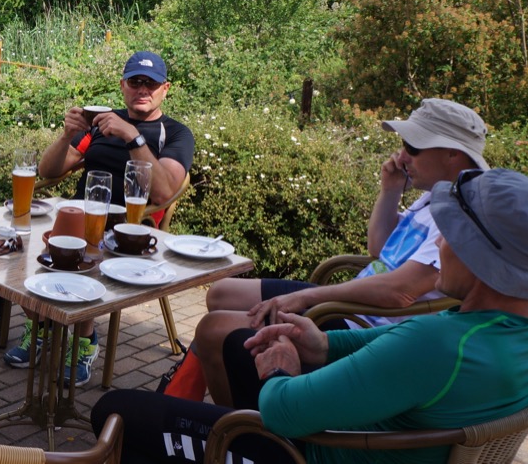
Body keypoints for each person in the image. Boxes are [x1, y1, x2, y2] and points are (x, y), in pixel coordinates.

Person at [92, 168, 528, 464]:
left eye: (450, 234)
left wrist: (280, 370)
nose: (438, 243)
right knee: (237, 343)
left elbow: (284, 410)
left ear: (481, 258)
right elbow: (397, 351)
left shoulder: (439, 347)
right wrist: (321, 343)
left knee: (117, 411)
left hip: (308, 451)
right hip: (391, 438)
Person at [193, 98, 488, 407]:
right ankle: (230, 393)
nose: (401, 156)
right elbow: (380, 249)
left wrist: (307, 297)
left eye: (412, 147)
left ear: (452, 153)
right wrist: (390, 189)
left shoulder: (463, 212)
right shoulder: (437, 194)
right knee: (222, 293)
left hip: (366, 324)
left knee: (213, 330)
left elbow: (399, 293)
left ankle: (234, 425)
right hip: (355, 302)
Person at [3, 51, 195, 385]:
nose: (142, 89)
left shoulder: (175, 134)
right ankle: (41, 325)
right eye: (135, 82)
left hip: (130, 228)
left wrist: (132, 136)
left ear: (165, 89)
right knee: (15, 246)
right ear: (123, 86)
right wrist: (67, 135)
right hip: (78, 215)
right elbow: (48, 170)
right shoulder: (102, 122)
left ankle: (84, 341)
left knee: (84, 252)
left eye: (150, 84)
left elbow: (164, 192)